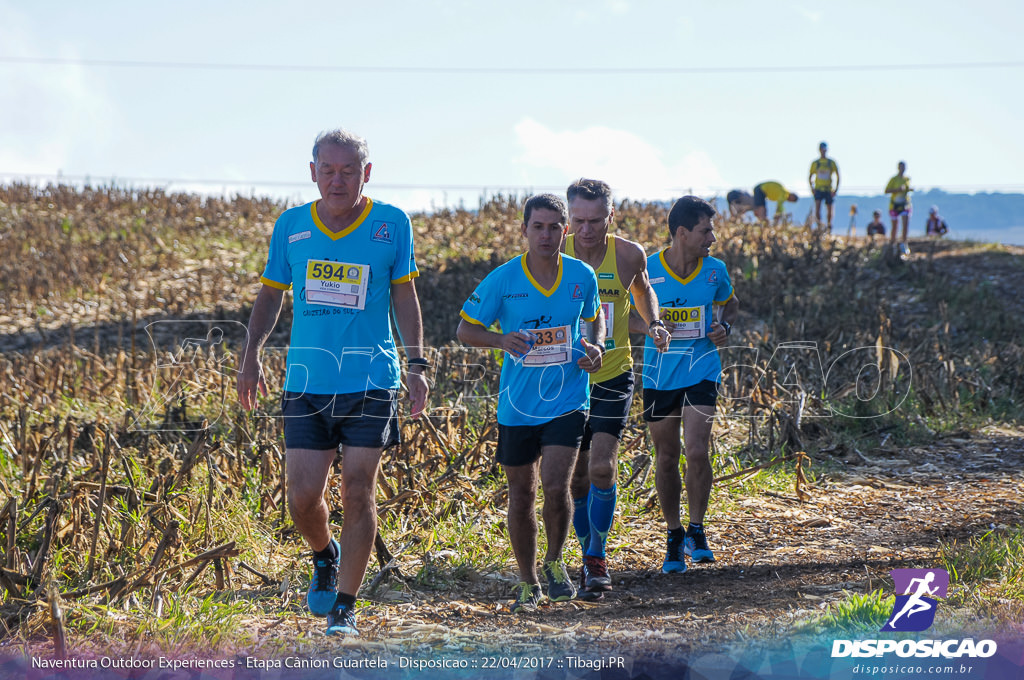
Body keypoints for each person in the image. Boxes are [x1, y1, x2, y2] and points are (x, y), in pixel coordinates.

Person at [237, 128, 429, 637]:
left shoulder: (391, 224)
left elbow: (405, 299)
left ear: (366, 173)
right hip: (306, 383)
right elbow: (271, 295)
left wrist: (417, 365)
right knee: (301, 497)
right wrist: (251, 353)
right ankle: (325, 554)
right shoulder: (292, 226)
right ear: (313, 172)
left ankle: (345, 604)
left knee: (358, 489)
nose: (337, 180)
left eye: (349, 171)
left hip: (371, 380)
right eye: (329, 170)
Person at [457, 194, 605, 613]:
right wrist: (500, 339)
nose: (546, 234)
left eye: (554, 226)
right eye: (537, 226)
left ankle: (555, 562)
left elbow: (595, 316)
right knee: (521, 495)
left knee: (556, 487)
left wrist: (594, 345)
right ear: (524, 231)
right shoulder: (503, 280)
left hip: (568, 399)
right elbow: (465, 329)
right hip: (517, 406)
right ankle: (528, 581)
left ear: (566, 230)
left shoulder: (582, 275)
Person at [562, 179, 671, 599]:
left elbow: (645, 294)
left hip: (612, 374)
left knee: (601, 468)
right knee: (575, 481)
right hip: (566, 382)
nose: (586, 230)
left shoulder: (627, 255)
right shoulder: (554, 253)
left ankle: (595, 555)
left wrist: (655, 323)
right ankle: (585, 549)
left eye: (595, 221)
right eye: (578, 221)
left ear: (611, 217)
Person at [630, 196, 738, 573]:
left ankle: (696, 529)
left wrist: (725, 327)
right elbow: (624, 321)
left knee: (697, 450)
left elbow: (730, 302)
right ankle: (673, 535)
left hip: (703, 369)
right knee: (666, 457)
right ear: (682, 233)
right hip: (660, 376)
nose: (713, 237)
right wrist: (652, 325)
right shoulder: (648, 270)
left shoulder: (715, 270)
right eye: (706, 230)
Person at [808, 142, 840, 232]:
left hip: (828, 189)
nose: (823, 151)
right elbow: (810, 177)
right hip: (818, 189)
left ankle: (829, 225)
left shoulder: (831, 163)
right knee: (817, 208)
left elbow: (838, 176)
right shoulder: (816, 163)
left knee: (830, 209)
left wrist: (836, 189)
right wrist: (812, 188)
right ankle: (819, 226)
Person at [886, 161, 913, 256]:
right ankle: (892, 243)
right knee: (895, 225)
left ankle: (904, 243)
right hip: (895, 205)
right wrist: (897, 190)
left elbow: (908, 188)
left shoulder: (907, 179)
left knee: (905, 223)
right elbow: (887, 190)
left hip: (905, 204)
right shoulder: (893, 179)